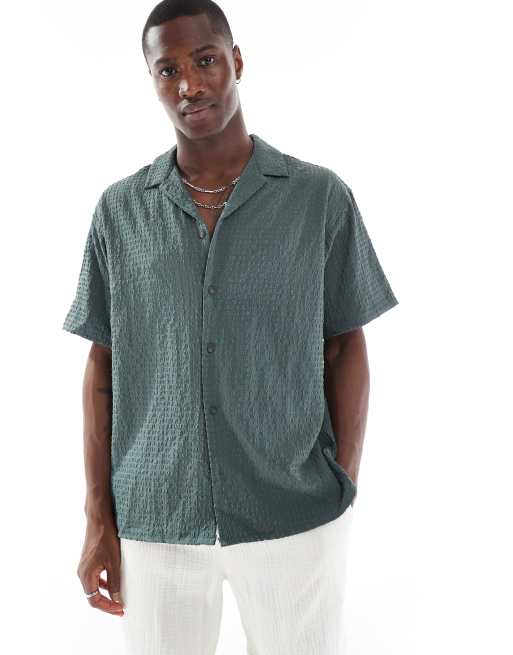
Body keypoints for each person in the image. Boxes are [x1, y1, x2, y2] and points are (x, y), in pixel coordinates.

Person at [62, 1, 399, 653]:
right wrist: (98, 517)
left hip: (293, 513)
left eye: (205, 60)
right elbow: (104, 366)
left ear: (236, 61)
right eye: (168, 70)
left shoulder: (317, 198)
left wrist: (341, 482)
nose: (190, 84)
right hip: (155, 519)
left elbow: (345, 343)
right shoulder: (119, 212)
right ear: (152, 80)